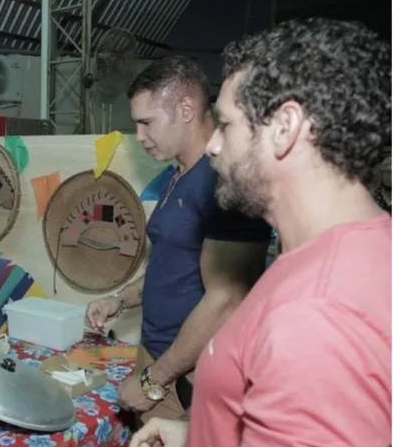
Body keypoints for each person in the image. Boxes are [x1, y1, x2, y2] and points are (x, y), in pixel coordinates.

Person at [101, 18, 391, 447]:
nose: (214, 144)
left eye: (229, 124)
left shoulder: (317, 318)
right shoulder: (335, 256)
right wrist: (202, 432)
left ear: (286, 129)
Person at [85, 56, 272, 422]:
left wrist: (155, 380)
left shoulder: (223, 183)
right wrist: (118, 300)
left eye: (146, 123)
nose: (139, 137)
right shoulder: (179, 176)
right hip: (159, 356)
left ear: (186, 109)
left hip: (189, 372)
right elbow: (172, 267)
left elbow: (227, 300)